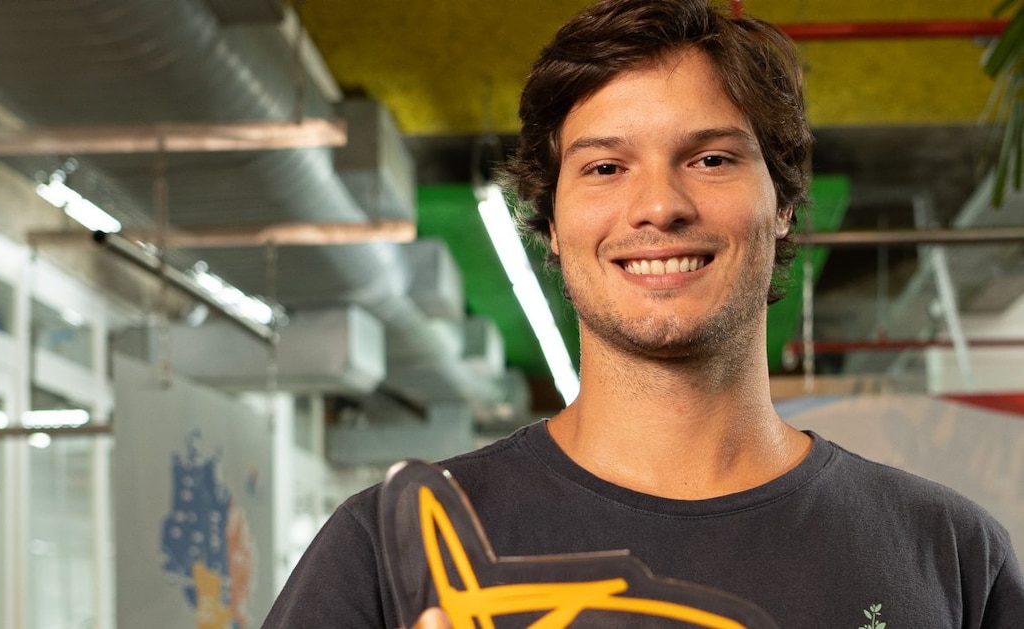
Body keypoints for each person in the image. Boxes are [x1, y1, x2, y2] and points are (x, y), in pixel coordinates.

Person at [261, 0, 1024, 626]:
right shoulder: (390, 563)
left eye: (712, 158)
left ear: (786, 201)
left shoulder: (952, 555)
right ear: (553, 222)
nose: (658, 204)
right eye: (604, 167)